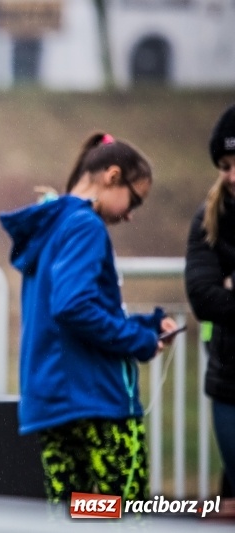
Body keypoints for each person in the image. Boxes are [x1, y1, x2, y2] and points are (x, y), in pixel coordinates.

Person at [0, 132, 178, 506]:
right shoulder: (86, 226)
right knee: (123, 517)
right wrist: (140, 342)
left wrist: (144, 325)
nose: (130, 215)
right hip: (96, 402)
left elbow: (69, 310)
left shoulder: (51, 224)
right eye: (135, 200)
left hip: (52, 402)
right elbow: (73, 307)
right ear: (113, 176)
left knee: (70, 520)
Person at [184, 103, 235, 501]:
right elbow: (205, 299)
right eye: (225, 165)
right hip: (229, 382)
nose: (232, 176)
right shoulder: (209, 218)